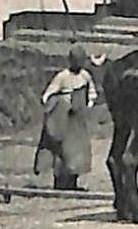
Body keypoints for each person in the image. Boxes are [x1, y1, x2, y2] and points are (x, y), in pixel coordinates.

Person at [36, 44, 100, 191]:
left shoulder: (85, 76)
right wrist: (49, 101)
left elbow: (92, 92)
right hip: (63, 116)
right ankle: (60, 183)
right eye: (75, 60)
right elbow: (50, 91)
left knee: (77, 150)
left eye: (80, 60)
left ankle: (72, 182)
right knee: (62, 150)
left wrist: (89, 104)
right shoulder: (62, 76)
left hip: (77, 119)